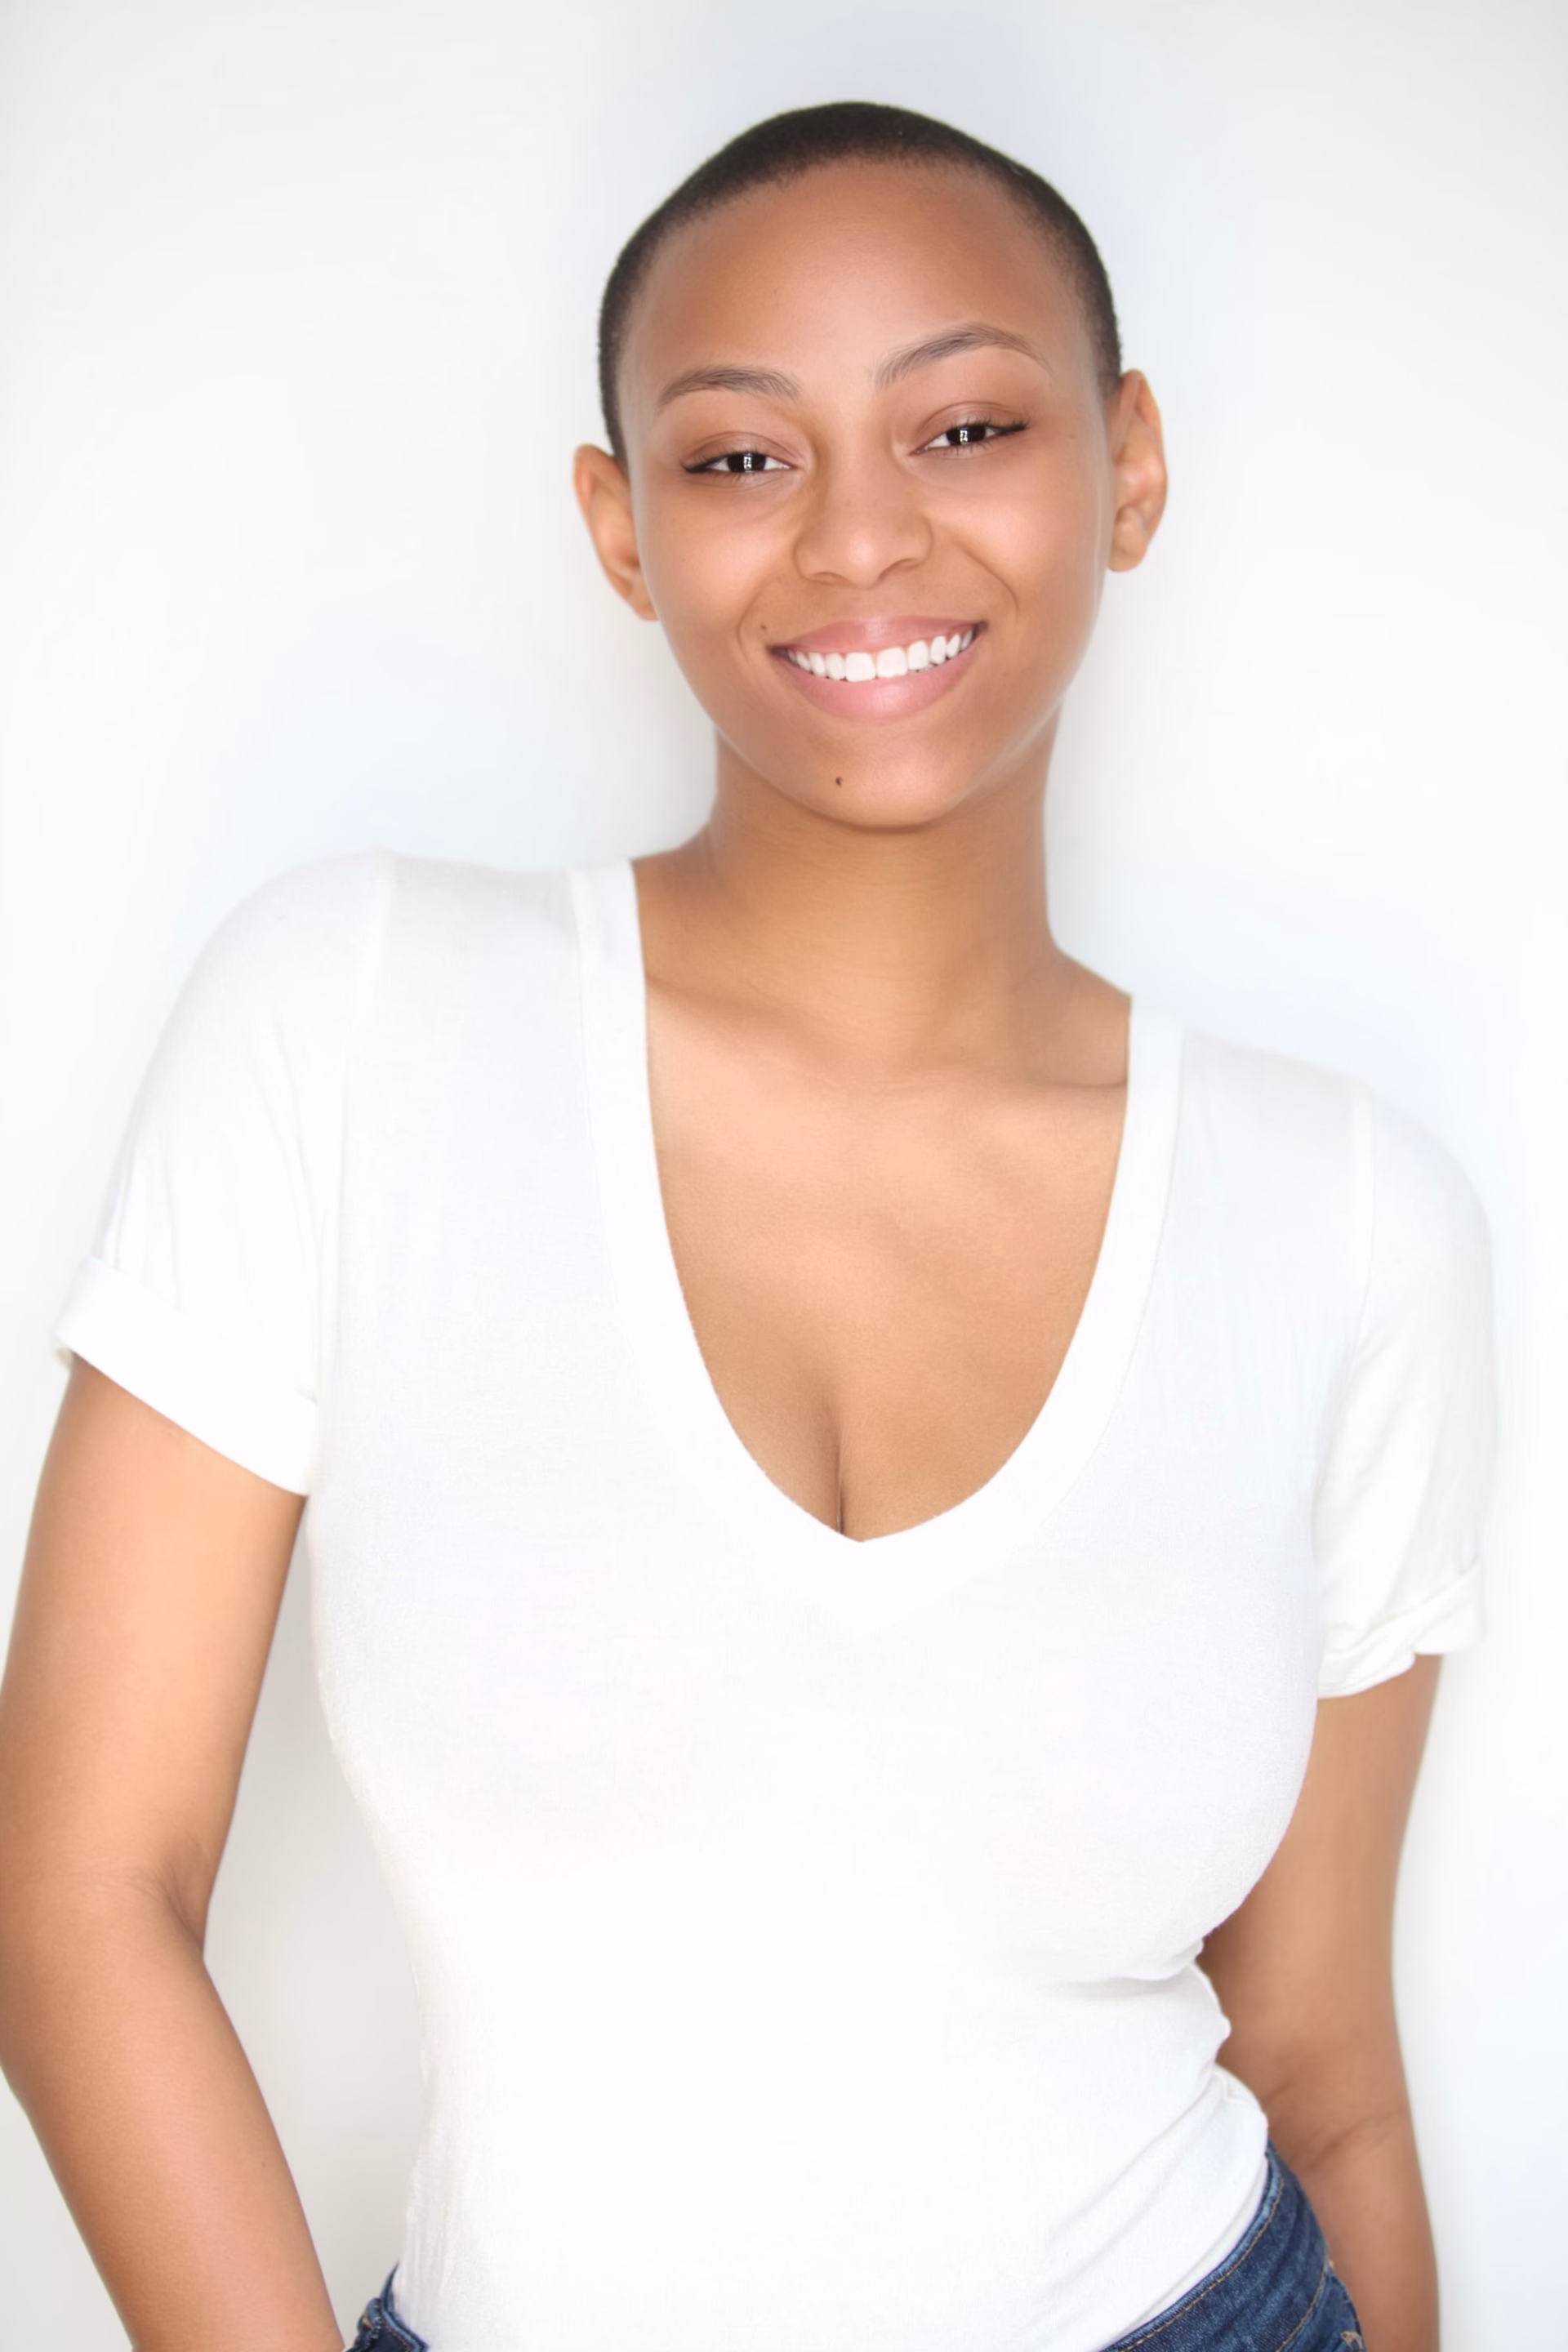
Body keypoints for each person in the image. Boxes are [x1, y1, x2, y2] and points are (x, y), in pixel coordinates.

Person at [0, 100, 1494, 2352]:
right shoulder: (356, 1014)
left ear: (1130, 467)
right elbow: (81, 1898)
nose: (860, 537)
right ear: (621, 529)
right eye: (739, 457)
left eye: (966, 425)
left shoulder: (1356, 1217)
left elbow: (1321, 2066)